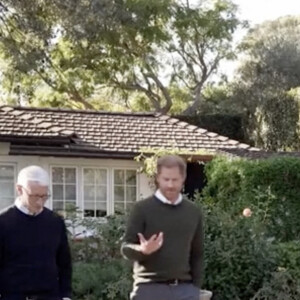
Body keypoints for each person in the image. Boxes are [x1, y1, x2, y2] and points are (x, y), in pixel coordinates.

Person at [121, 155, 204, 300]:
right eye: (166, 179)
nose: (170, 185)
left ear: (183, 179)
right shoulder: (142, 209)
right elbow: (125, 248)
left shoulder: (193, 212)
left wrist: (195, 288)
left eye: (175, 180)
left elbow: (197, 253)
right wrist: (142, 250)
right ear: (158, 178)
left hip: (185, 290)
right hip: (149, 288)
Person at [0, 165, 72, 300]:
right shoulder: (3, 222)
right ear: (19, 189)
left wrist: (66, 295)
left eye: (44, 196)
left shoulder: (55, 222)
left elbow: (64, 263)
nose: (40, 202)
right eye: (35, 196)